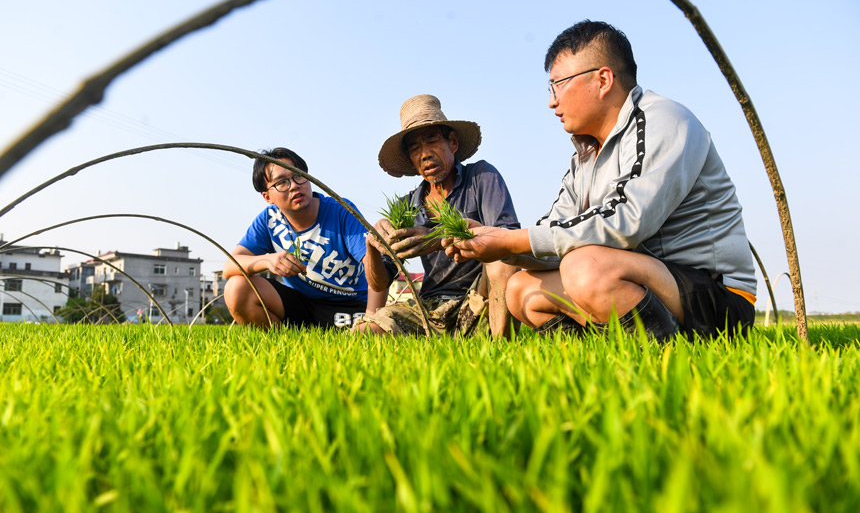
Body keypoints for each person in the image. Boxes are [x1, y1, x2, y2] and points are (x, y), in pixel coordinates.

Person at [444, 21, 757, 341]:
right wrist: (494, 244)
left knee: (584, 267)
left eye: (558, 84)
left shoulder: (664, 119)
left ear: (603, 79)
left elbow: (627, 220)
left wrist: (511, 241)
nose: (552, 101)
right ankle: (603, 359)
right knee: (520, 289)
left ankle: (673, 358)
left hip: (714, 296)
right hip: (638, 281)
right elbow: (555, 232)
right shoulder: (586, 155)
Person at [355, 94, 520, 337]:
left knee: (501, 260)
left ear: (452, 142)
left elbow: (508, 239)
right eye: (415, 148)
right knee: (366, 331)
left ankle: (501, 347)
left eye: (432, 141)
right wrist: (372, 244)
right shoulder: (407, 207)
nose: (425, 154)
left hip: (477, 300)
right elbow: (380, 283)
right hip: (430, 309)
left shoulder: (481, 178)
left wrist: (435, 238)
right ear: (411, 160)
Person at [223, 147, 391, 329]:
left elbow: (374, 266)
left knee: (368, 332)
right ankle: (283, 348)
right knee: (236, 288)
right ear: (267, 197)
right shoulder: (269, 220)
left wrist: (372, 319)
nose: (294, 185)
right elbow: (230, 266)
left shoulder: (340, 211)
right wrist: (267, 260)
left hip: (348, 306)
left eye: (298, 175)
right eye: (281, 182)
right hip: (301, 304)